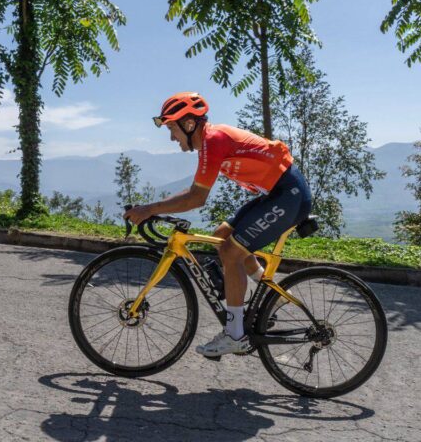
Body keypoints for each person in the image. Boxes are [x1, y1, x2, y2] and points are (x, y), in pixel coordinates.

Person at [124, 92, 312, 357]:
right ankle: (272, 295)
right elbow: (195, 193)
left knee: (231, 252)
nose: (171, 137)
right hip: (278, 194)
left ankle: (235, 334)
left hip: (288, 196)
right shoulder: (209, 143)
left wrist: (149, 209)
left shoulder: (213, 141)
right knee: (223, 236)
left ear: (189, 124)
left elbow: (196, 197)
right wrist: (152, 208)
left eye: (172, 129)